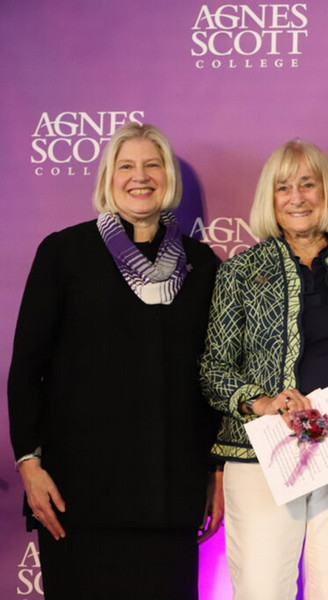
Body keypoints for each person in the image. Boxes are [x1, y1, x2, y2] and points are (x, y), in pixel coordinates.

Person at [7, 123, 222, 600]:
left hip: (169, 495)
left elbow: (211, 378)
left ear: (168, 177)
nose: (139, 177)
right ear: (108, 177)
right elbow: (26, 368)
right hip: (76, 496)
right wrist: (28, 464)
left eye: (152, 165)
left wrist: (215, 471)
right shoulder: (63, 252)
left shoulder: (202, 264)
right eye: (126, 166)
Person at [200, 140, 328, 600]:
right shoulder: (240, 271)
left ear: (326, 191)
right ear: (269, 199)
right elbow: (214, 367)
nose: (296, 198)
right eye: (283, 188)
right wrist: (261, 402)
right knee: (261, 588)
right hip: (261, 453)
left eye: (308, 184)